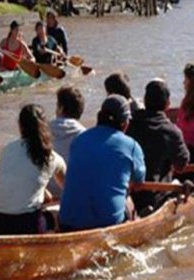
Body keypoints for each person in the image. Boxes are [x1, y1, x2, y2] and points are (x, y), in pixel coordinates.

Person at [59, 95, 146, 231]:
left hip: (67, 222)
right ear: (125, 123)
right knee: (129, 200)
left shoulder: (79, 140)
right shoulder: (132, 146)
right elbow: (139, 182)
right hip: (107, 223)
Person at [0, 104, 66, 235]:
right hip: (26, 225)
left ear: (20, 125)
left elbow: (16, 181)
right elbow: (68, 191)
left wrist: (44, 193)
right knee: (58, 215)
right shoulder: (52, 158)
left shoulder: (7, 150)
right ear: (44, 127)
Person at [127, 79, 190, 215]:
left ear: (145, 100)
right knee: (179, 182)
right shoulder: (171, 131)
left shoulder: (130, 125)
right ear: (167, 104)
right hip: (155, 195)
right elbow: (182, 165)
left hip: (131, 193)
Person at [47, 85, 86, 199]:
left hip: (45, 196)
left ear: (61, 108)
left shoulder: (42, 131)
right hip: (71, 198)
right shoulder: (85, 136)